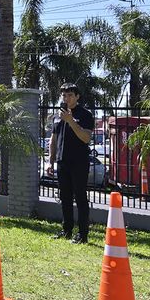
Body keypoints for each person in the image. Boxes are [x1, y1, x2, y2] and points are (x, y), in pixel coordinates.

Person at [47, 83, 94, 244]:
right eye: (64, 95)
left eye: (70, 95)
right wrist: (50, 161)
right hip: (62, 162)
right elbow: (53, 139)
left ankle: (82, 234)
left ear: (77, 97)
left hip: (79, 162)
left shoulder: (85, 114)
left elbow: (86, 138)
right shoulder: (57, 116)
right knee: (64, 197)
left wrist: (71, 121)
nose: (66, 98)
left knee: (80, 197)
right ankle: (66, 230)